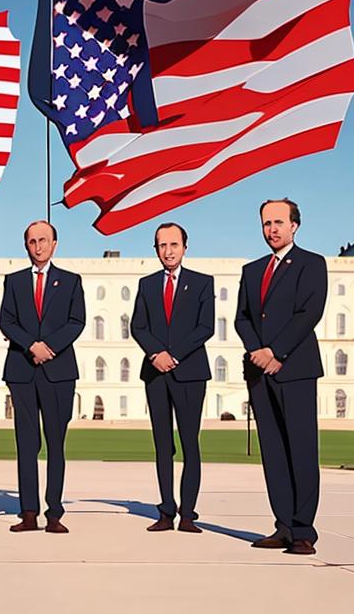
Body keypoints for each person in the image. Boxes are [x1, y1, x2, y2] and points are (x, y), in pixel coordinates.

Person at [233, 199, 327, 555]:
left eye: (278, 222)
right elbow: (242, 316)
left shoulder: (311, 264)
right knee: (273, 452)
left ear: (294, 226)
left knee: (301, 450)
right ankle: (284, 525)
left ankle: (304, 530)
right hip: (260, 372)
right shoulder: (252, 270)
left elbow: (309, 313)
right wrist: (259, 351)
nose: (271, 229)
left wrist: (277, 352)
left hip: (295, 369)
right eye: (266, 223)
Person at [0, 220, 85, 533]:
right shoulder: (14, 281)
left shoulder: (71, 281)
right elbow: (6, 321)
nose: (38, 246)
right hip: (22, 371)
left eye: (44, 240)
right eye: (32, 241)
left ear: (54, 244)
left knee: (55, 444)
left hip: (58, 371)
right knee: (26, 443)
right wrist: (31, 345)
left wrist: (48, 346)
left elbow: (77, 322)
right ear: (26, 246)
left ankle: (54, 512)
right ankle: (28, 512)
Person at [130, 222, 214, 533]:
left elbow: (205, 327)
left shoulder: (202, 282)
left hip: (189, 373)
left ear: (184, 247)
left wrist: (173, 355)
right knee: (162, 445)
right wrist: (156, 354)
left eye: (173, 245)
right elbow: (138, 326)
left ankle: (188, 513)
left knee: (190, 444)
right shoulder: (147, 284)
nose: (168, 251)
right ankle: (166, 511)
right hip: (155, 373)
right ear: (156, 250)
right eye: (162, 246)